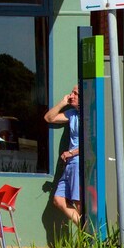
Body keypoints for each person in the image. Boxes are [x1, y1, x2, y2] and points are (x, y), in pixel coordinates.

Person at [44, 84, 81, 226]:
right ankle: (87, 231)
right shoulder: (72, 114)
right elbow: (49, 118)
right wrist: (63, 102)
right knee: (58, 199)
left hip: (77, 163)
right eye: (71, 92)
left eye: (75, 93)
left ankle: (90, 237)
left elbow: (90, 143)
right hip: (70, 164)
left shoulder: (89, 115)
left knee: (79, 203)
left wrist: (71, 153)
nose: (71, 95)